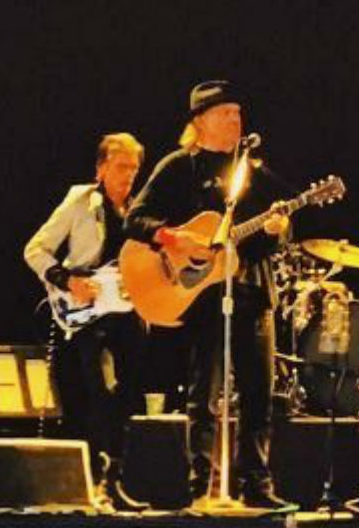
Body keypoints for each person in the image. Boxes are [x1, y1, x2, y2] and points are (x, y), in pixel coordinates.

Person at [124, 81, 295, 511]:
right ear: (200, 122)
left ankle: (257, 484)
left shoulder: (254, 173)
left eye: (238, 113)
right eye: (226, 114)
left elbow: (270, 237)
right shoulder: (179, 166)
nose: (236, 120)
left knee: (258, 396)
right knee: (205, 395)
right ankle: (200, 484)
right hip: (203, 297)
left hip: (253, 292)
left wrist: (278, 229)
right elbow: (135, 218)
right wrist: (174, 238)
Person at [24, 132, 149, 511]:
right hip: (88, 312)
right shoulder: (81, 199)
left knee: (128, 396)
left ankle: (114, 481)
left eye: (134, 168)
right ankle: (95, 479)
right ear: (101, 169)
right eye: (121, 166)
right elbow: (36, 249)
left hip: (129, 313)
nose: (129, 175)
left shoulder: (140, 211)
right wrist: (67, 280)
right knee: (99, 393)